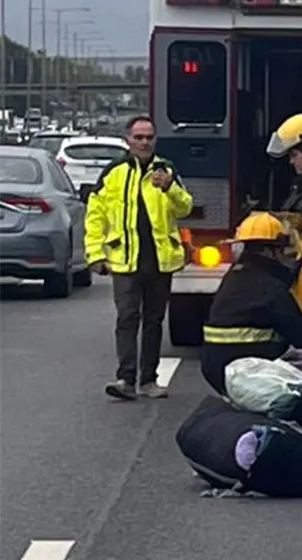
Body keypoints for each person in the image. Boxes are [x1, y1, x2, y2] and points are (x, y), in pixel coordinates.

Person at [85, 115, 193, 400]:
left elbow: (185, 208)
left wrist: (169, 187)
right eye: (139, 137)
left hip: (159, 261)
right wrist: (95, 254)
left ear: (155, 140)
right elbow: (94, 216)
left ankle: (148, 380)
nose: (144, 142)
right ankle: (125, 379)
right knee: (127, 318)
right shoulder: (114, 172)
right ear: (127, 140)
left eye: (149, 137)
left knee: (154, 321)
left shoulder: (166, 170)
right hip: (125, 261)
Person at [199, 212, 302, 395]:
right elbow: (300, 332)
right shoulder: (269, 287)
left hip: (215, 368)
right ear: (271, 251)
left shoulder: (235, 276)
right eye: (282, 250)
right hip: (248, 370)